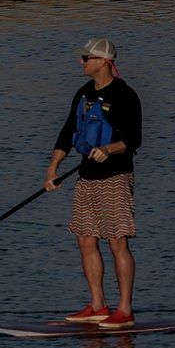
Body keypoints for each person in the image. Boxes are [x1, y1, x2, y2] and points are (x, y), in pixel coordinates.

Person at [44, 37, 143, 328]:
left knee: (117, 242)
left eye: (87, 58)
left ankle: (125, 310)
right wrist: (53, 168)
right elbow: (67, 132)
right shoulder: (84, 93)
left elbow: (134, 139)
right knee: (86, 241)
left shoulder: (126, 96)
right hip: (86, 178)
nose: (82, 62)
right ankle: (98, 305)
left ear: (102, 62)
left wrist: (109, 149)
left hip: (115, 177)